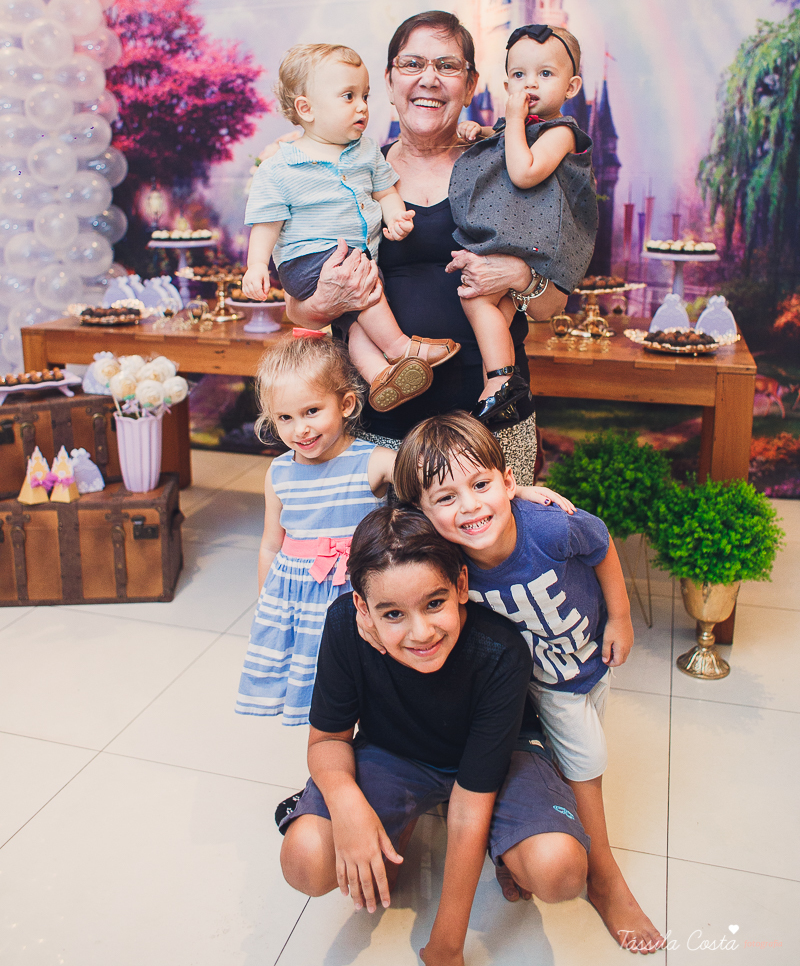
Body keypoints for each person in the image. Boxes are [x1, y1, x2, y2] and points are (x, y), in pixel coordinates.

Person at [391, 413, 665, 955]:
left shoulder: (548, 527)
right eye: (445, 498)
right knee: (585, 760)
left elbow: (602, 546)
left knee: (571, 757)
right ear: (421, 513)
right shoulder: (442, 555)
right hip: (535, 686)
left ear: (509, 481)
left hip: (587, 662)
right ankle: (604, 876)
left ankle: (522, 842)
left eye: (481, 485)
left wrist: (621, 618)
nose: (469, 506)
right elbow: (386, 533)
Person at [278, 506, 591, 966]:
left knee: (559, 869)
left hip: (496, 763)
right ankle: (400, 823)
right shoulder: (346, 624)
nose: (421, 632)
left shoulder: (499, 650)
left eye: (434, 603)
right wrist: (349, 809)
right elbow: (327, 741)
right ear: (363, 609)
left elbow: (470, 805)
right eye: (392, 614)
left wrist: (446, 946)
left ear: (461, 586)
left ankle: (504, 848)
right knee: (305, 858)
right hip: (396, 751)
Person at [274, 12, 575, 483]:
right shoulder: (345, 173)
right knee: (390, 554)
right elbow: (297, 307)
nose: (428, 79)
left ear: (471, 84)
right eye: (412, 64)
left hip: (489, 422)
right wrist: (324, 301)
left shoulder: (514, 169)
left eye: (448, 66)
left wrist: (518, 277)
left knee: (492, 550)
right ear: (390, 82)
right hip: (377, 424)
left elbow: (549, 307)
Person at [242, 42, 459, 413]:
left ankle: (380, 378)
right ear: (306, 109)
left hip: (354, 256)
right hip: (309, 258)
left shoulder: (366, 151)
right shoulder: (282, 166)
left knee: (355, 314)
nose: (361, 106)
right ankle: (400, 348)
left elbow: (386, 189)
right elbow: (267, 222)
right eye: (348, 96)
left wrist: (394, 215)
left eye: (365, 96)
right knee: (365, 286)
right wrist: (257, 265)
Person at [235, 332, 396, 725]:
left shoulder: (373, 461)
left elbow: (435, 476)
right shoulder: (279, 473)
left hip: (357, 594)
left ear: (345, 404)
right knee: (322, 700)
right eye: (285, 418)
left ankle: (374, 763)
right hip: (299, 604)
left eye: (311, 411)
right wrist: (266, 605)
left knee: (369, 686)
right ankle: (326, 767)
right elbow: (271, 545)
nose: (300, 430)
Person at [451, 24, 597, 422]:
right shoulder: (517, 128)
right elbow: (503, 144)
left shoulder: (563, 133)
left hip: (539, 242)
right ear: (505, 81)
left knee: (476, 298)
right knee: (495, 307)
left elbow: (523, 171)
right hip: (520, 237)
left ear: (571, 87)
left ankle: (500, 380)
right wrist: (480, 131)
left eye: (545, 74)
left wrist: (511, 118)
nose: (530, 84)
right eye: (519, 75)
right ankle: (497, 392)